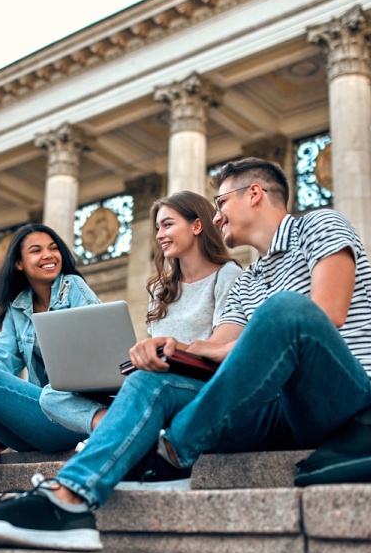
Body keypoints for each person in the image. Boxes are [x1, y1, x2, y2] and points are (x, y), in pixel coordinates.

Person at [0, 157, 371, 551]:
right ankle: (68, 500)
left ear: (255, 194)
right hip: (284, 412)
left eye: (221, 203)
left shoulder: (319, 226)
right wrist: (174, 349)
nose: (218, 217)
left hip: (353, 400)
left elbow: (324, 317)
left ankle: (169, 455)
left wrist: (220, 348)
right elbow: (218, 347)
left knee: (286, 311)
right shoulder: (248, 280)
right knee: (152, 380)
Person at [46, 191, 242, 488]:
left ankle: (120, 430)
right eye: (157, 228)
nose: (160, 235)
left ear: (197, 226)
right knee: (51, 393)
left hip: (194, 386)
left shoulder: (227, 275)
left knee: (148, 388)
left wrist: (170, 351)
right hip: (152, 379)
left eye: (167, 225)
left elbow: (219, 348)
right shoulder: (161, 290)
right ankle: (118, 424)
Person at [0, 223, 102, 452]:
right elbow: (1, 363)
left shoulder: (73, 286)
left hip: (77, 412)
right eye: (36, 250)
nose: (48, 255)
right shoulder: (17, 307)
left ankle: (107, 422)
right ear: (19, 263)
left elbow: (99, 350)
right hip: (45, 420)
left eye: (53, 248)